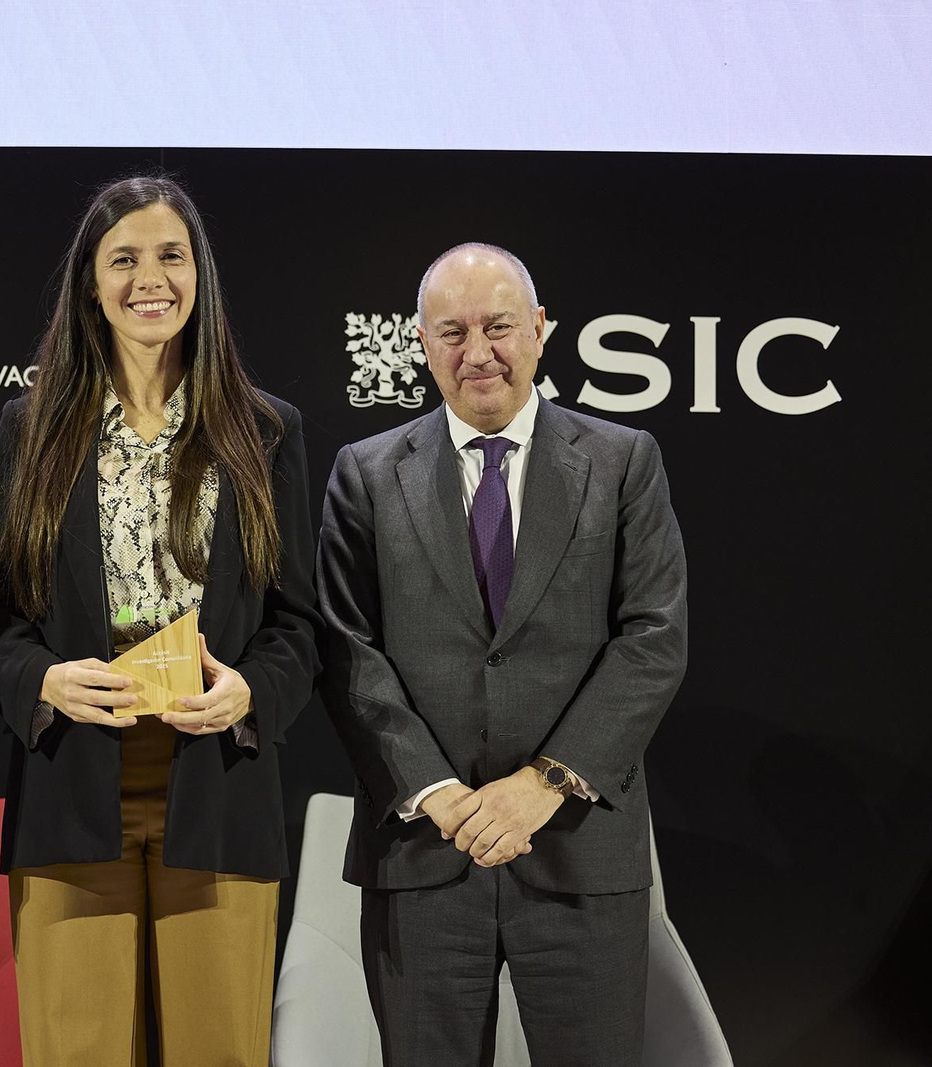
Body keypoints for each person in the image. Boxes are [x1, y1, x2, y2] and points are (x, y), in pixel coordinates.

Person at [0, 175, 320, 1066]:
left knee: (217, 1051)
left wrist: (248, 692)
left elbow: (297, 624)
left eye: (171, 254)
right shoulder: (31, 430)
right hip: (71, 785)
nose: (149, 278)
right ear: (90, 283)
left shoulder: (264, 430)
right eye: (122, 258)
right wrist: (42, 678)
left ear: (198, 272)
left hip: (218, 788)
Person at [317, 242, 688, 1067]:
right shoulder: (365, 475)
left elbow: (654, 638)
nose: (477, 351)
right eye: (451, 331)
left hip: (579, 849)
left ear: (541, 330)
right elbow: (346, 648)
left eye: (499, 326)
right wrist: (441, 793)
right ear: (420, 341)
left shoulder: (624, 462)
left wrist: (543, 783)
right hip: (424, 857)